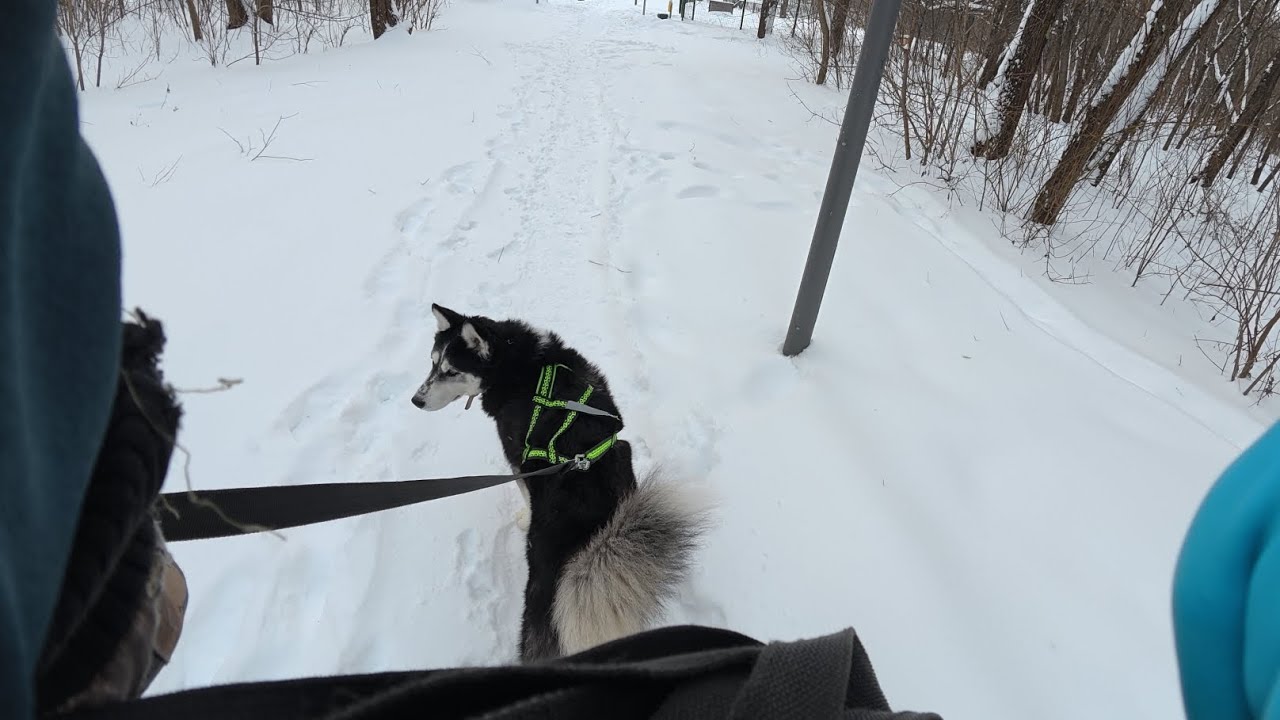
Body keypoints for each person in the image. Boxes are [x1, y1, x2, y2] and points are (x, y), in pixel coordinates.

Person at [0, 0, 1275, 717]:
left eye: (447, 373)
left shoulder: (517, 390)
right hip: (598, 465)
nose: (436, 387)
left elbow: (534, 455)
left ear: (477, 354)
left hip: (576, 488)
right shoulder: (545, 369)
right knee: (564, 515)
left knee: (552, 571)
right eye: (441, 374)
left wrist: (537, 489)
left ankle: (544, 659)